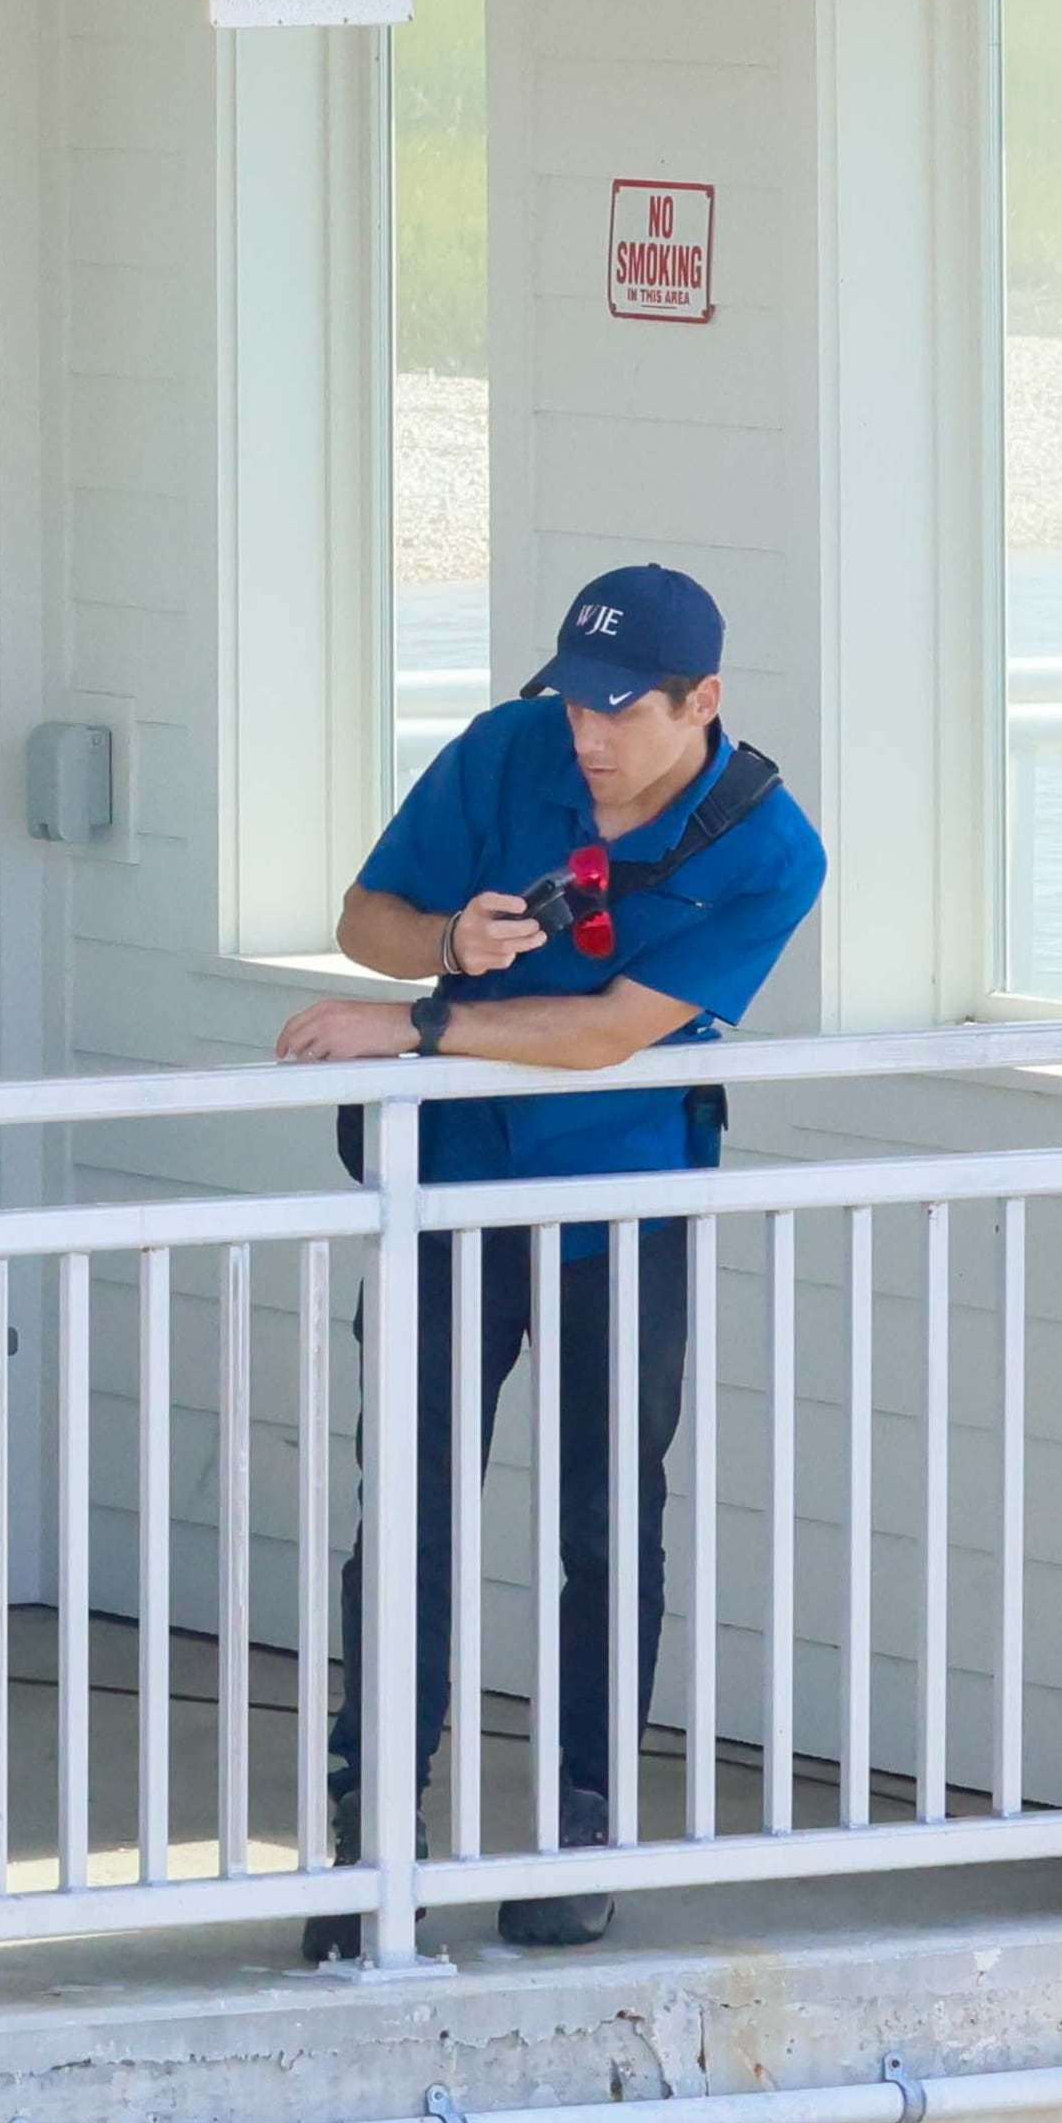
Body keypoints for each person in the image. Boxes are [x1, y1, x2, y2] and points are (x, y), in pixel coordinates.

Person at [272, 563, 823, 1961]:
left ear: (705, 701)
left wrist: (420, 1028)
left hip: (617, 1205)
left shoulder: (769, 847)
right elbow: (366, 919)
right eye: (575, 699)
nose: (587, 733)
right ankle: (370, 1833)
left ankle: (584, 1832)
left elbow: (603, 1034)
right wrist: (447, 942)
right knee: (405, 1508)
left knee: (603, 1520)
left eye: (622, 708)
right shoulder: (508, 746)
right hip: (448, 1189)